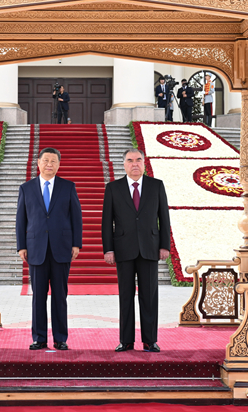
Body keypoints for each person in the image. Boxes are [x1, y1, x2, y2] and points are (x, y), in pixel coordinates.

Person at [101, 148, 171, 353]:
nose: (135, 164)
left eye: (138, 160)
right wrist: (108, 249)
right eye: (130, 160)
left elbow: (164, 217)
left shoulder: (156, 186)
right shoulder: (113, 188)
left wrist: (164, 245)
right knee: (126, 296)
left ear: (144, 163)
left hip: (150, 248)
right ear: (124, 164)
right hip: (123, 249)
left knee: (149, 296)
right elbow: (107, 222)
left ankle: (150, 341)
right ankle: (126, 341)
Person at [16, 147, 83, 351]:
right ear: (38, 163)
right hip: (35, 249)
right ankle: (39, 338)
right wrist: (21, 246)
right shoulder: (26, 188)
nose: (49, 164)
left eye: (53, 161)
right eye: (45, 160)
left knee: (60, 296)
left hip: (62, 248)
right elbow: (21, 219)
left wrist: (76, 243)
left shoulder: (68, 187)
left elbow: (76, 217)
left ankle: (60, 338)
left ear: (59, 165)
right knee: (38, 296)